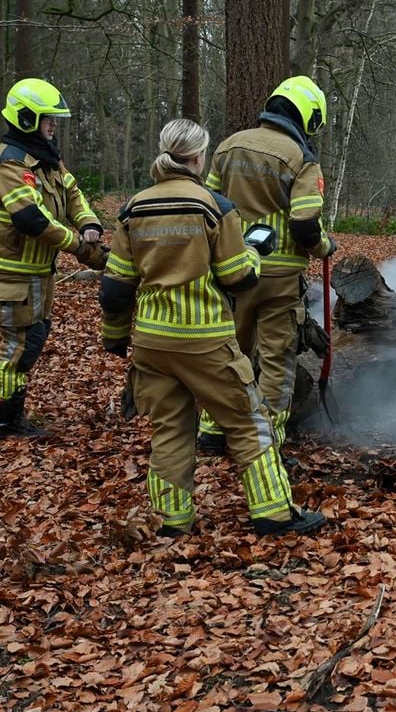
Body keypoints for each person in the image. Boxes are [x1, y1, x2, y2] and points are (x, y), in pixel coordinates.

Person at [98, 118, 326, 537]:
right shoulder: (214, 207)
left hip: (151, 342)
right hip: (203, 339)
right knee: (246, 420)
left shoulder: (133, 209)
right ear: (199, 157)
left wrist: (114, 336)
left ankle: (171, 519)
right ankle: (274, 512)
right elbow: (239, 276)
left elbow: (115, 286)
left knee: (170, 428)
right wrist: (255, 250)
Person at [195, 75, 337, 453]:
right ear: (307, 117)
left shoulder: (228, 146)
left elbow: (208, 207)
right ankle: (266, 441)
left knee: (230, 351)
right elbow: (306, 222)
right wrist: (324, 247)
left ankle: (212, 430)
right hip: (278, 277)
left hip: (231, 271)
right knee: (276, 361)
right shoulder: (301, 159)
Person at [0, 77, 109, 439]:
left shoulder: (46, 158)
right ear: (27, 118)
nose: (53, 125)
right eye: (48, 118)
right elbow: (32, 219)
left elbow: (72, 191)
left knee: (33, 335)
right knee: (22, 345)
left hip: (39, 270)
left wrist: (89, 221)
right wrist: (80, 247)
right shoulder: (12, 164)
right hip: (15, 271)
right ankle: (6, 422)